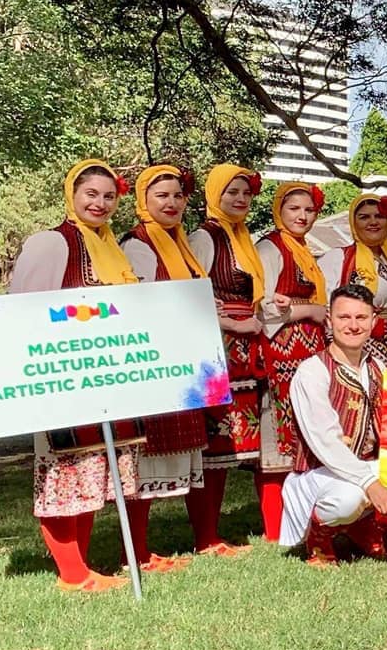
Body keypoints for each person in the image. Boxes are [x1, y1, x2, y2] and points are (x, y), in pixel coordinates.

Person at [9, 161, 151, 591]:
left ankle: (84, 566)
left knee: (93, 469)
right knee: (63, 469)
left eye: (109, 197)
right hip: (63, 373)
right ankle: (71, 573)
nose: (100, 203)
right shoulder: (52, 243)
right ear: (72, 194)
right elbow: (24, 310)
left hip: (107, 376)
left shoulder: (111, 247)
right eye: (91, 194)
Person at [117, 164, 211, 563]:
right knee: (144, 454)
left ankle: (145, 549)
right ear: (143, 200)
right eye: (161, 196)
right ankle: (136, 551)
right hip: (152, 357)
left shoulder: (181, 243)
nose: (171, 203)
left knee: (162, 454)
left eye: (177, 195)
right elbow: (141, 301)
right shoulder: (138, 244)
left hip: (180, 353)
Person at [279, 284, 387, 564]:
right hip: (321, 473)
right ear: (330, 320)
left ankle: (361, 525)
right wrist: (371, 484)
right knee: (349, 496)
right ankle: (319, 534)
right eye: (345, 318)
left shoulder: (377, 368)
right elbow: (326, 442)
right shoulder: (313, 371)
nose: (353, 326)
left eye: (361, 318)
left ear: (373, 322)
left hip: (365, 465)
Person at [188, 163, 266, 555]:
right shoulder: (204, 237)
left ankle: (218, 531)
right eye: (231, 192)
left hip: (245, 349)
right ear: (214, 194)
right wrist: (231, 324)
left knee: (237, 440)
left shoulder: (242, 237)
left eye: (245, 194)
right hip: (218, 347)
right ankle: (206, 536)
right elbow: (192, 296)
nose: (239, 199)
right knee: (213, 442)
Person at [251, 181, 330, 542]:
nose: (302, 216)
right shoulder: (270, 248)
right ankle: (274, 526)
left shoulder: (303, 250)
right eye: (294, 208)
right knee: (279, 435)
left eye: (308, 210)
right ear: (279, 211)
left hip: (306, 348)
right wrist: (311, 311)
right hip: (282, 348)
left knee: (307, 430)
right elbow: (265, 305)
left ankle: (302, 516)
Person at [317, 193, 387, 377]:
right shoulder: (338, 258)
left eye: (379, 216)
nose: (373, 222)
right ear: (353, 222)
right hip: (358, 342)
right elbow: (325, 308)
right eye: (364, 217)